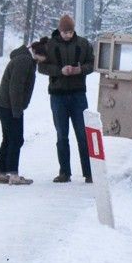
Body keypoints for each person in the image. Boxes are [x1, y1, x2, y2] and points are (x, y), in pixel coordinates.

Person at [38, 14, 94, 183]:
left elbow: (92, 64)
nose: (68, 35)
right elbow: (41, 67)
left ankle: (89, 172)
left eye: (70, 32)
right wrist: (59, 71)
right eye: (65, 32)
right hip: (58, 95)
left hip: (78, 95)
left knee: (83, 135)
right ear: (60, 30)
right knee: (62, 134)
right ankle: (65, 172)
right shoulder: (49, 45)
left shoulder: (83, 44)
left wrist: (79, 70)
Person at [0, 40, 47, 185]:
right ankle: (13, 175)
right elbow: (15, 87)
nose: (45, 60)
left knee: (9, 139)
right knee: (16, 139)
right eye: (45, 57)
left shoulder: (25, 59)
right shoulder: (24, 61)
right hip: (9, 106)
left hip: (4, 105)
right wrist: (17, 111)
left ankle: (2, 173)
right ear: (38, 53)